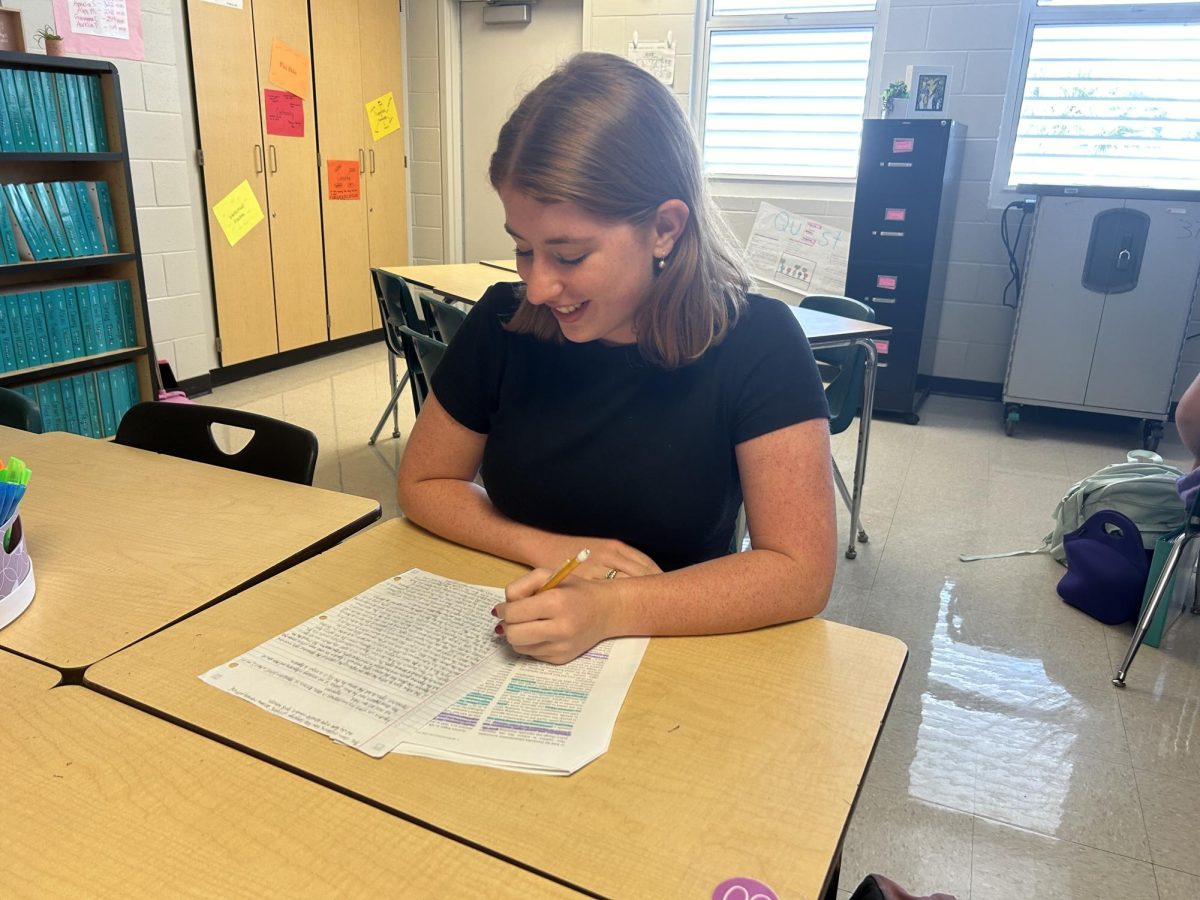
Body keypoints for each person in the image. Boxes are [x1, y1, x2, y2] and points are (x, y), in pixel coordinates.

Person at [396, 52, 836, 664]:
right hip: (522, 632)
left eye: (569, 256)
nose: (541, 286)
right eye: (523, 249)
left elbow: (798, 572)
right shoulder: (504, 321)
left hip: (678, 648)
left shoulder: (758, 343)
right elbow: (424, 482)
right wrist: (548, 549)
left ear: (664, 229)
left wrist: (611, 609)